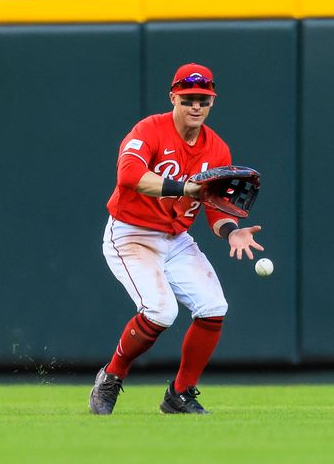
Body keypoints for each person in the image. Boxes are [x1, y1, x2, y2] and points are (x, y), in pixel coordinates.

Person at [89, 63, 264, 415]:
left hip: (176, 237)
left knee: (214, 307)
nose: (196, 106)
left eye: (203, 99)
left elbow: (216, 207)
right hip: (131, 233)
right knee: (161, 311)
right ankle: (111, 377)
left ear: (212, 102)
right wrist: (186, 186)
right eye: (188, 99)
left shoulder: (217, 149)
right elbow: (130, 177)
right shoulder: (150, 130)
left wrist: (232, 231)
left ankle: (179, 394)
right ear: (174, 97)